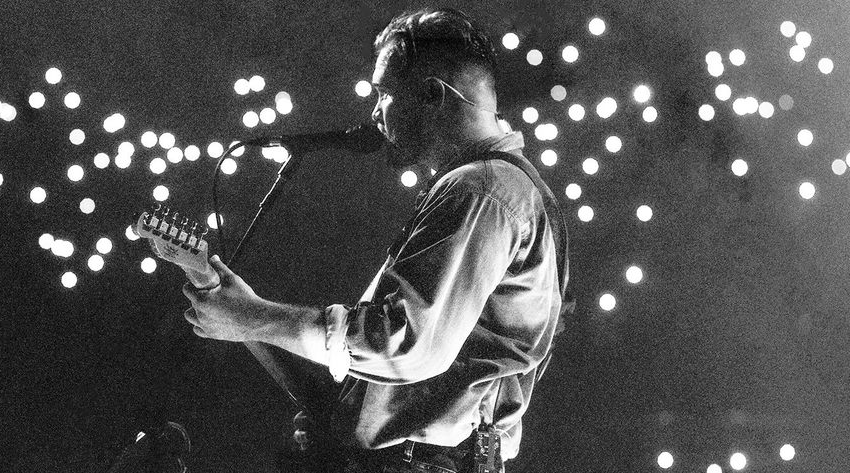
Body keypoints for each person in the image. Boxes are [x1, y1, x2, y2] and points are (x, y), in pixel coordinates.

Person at [183, 7, 568, 472]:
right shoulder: (500, 191)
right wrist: (252, 320)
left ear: (432, 95)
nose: (374, 112)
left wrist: (255, 317)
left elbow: (403, 345)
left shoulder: (480, 191)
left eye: (384, 93)